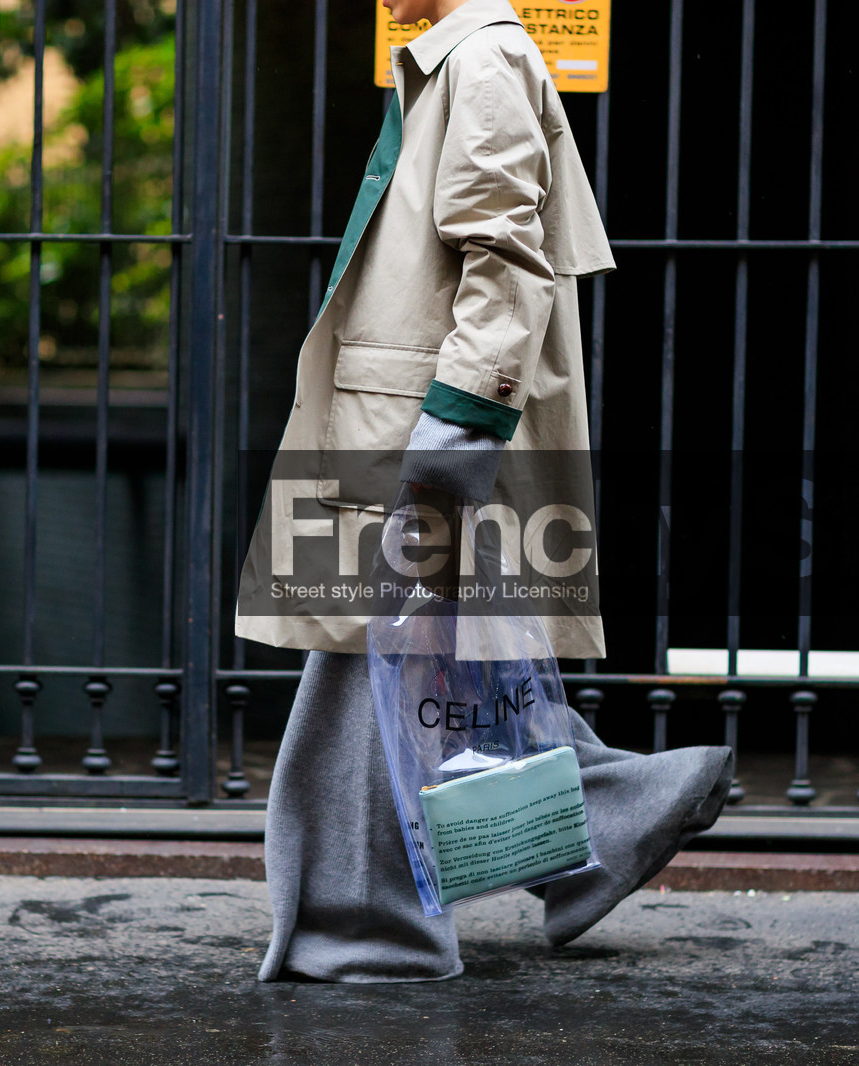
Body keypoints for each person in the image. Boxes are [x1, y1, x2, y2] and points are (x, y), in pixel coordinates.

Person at [234, 0, 735, 982]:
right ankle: (617, 816)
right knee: (434, 683)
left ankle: (367, 933)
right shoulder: (454, 59)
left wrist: (451, 446)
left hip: (429, 435)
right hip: (415, 427)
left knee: (367, 688)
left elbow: (506, 270)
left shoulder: (486, 58)